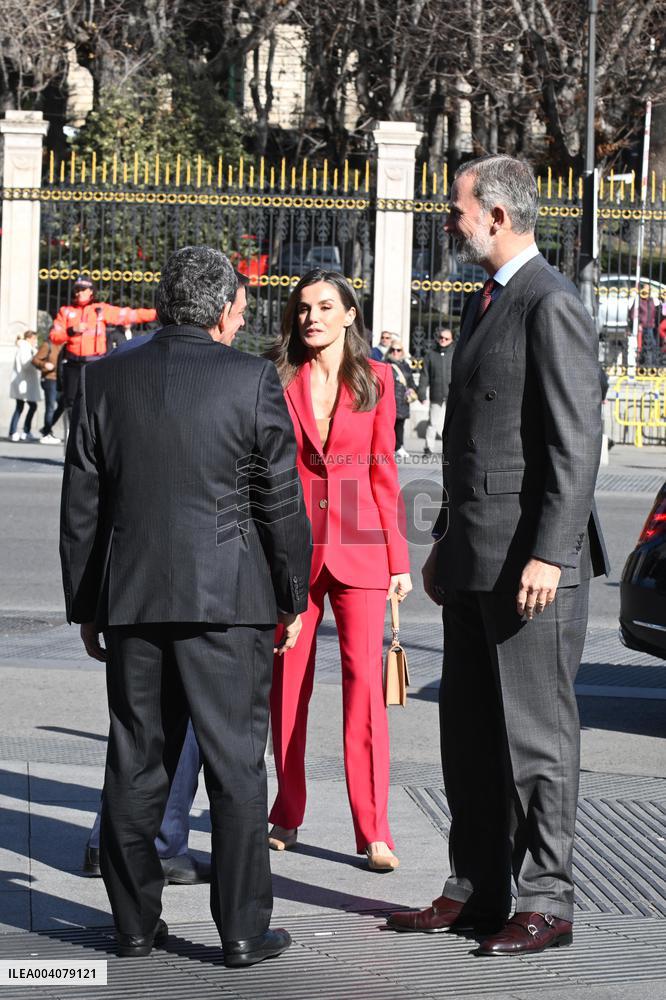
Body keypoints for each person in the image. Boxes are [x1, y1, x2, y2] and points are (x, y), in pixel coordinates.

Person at [60, 245, 312, 966]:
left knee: (136, 761)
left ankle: (134, 925)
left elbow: (82, 506)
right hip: (230, 600)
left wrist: (87, 605)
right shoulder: (252, 379)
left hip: (134, 598)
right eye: (240, 308)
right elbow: (280, 502)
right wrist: (290, 594)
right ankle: (242, 931)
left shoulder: (105, 377)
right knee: (236, 767)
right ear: (224, 311)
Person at [387, 155, 609, 955]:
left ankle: (547, 899)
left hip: (531, 566)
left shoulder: (550, 302)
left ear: (499, 215)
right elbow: (474, 442)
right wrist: (446, 541)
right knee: (472, 738)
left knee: (536, 742)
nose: (450, 222)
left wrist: (550, 552)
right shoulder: (487, 299)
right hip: (476, 557)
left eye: (458, 209)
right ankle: (477, 888)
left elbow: (575, 444)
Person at [265, 269, 412, 871]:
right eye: (303, 308)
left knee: (365, 689)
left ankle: (374, 829)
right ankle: (286, 809)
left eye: (326, 306)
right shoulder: (275, 377)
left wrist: (398, 559)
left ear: (350, 315)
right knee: (286, 686)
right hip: (292, 545)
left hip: (361, 543)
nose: (312, 317)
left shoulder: (377, 378)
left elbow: (383, 469)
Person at [49, 276, 157, 409]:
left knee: (94, 401)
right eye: (77, 289)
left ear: (91, 291)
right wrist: (71, 330)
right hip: (73, 365)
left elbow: (129, 315)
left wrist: (157, 313)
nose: (79, 292)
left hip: (94, 364)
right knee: (71, 403)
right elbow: (54, 337)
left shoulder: (100, 310)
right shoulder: (65, 311)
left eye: (83, 289)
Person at [418, 328, 454, 455]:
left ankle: (451, 449)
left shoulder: (455, 354)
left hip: (452, 394)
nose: (443, 340)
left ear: (451, 340)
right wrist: (422, 394)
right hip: (436, 394)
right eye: (441, 338)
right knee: (432, 423)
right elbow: (424, 376)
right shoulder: (430, 355)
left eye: (446, 338)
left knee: (452, 424)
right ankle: (428, 448)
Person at [386, 337, 417, 459]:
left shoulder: (406, 365)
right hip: (389, 400)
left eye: (398, 350)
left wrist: (413, 389)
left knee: (400, 426)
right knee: (388, 426)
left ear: (402, 351)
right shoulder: (385, 364)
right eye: (393, 350)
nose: (395, 352)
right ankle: (389, 448)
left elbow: (411, 382)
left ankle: (399, 446)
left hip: (403, 401)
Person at [8, 331, 41, 441]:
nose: (35, 341)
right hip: (22, 383)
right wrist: (36, 362)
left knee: (22, 407)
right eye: (34, 338)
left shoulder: (29, 348)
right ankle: (16, 431)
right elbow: (25, 364)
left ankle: (21, 431)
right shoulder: (24, 348)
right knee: (23, 407)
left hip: (25, 383)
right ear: (28, 338)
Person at [31, 337, 65, 444]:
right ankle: (47, 433)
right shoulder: (48, 345)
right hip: (50, 379)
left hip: (61, 379)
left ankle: (46, 428)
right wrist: (44, 364)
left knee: (63, 404)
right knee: (50, 406)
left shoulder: (65, 345)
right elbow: (35, 360)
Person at [628, 284, 661, 366]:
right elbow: (633, 313)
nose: (646, 291)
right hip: (642, 326)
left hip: (651, 325)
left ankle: (653, 364)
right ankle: (643, 363)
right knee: (642, 346)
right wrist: (638, 324)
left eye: (648, 289)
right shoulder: (638, 300)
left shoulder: (652, 300)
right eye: (645, 289)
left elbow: (657, 310)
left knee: (652, 345)